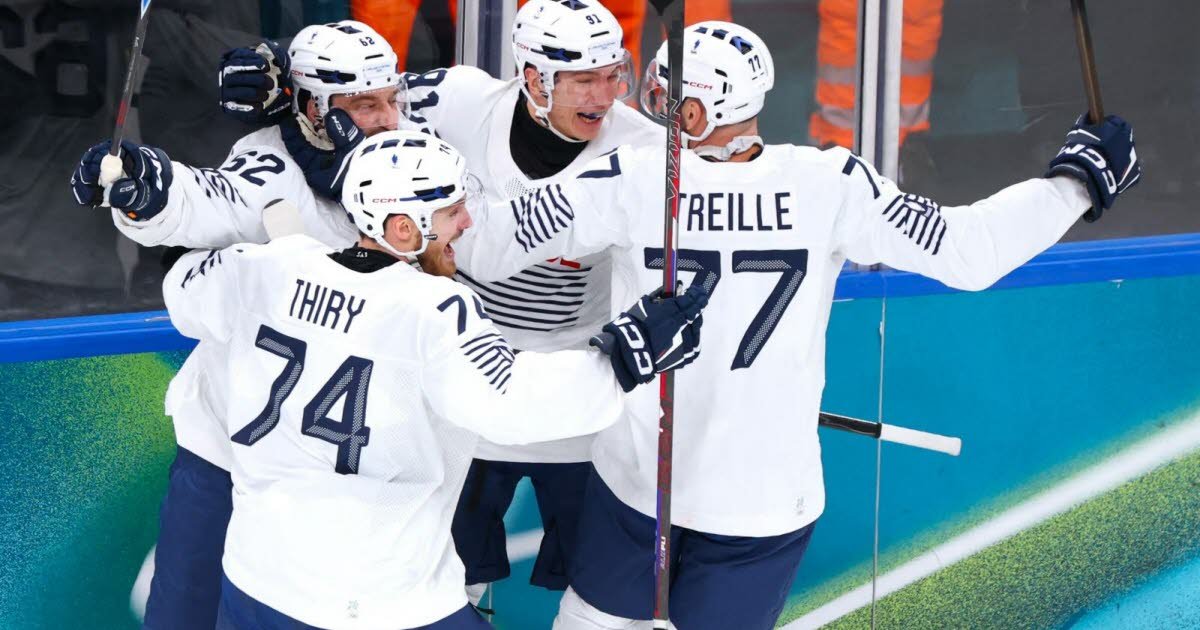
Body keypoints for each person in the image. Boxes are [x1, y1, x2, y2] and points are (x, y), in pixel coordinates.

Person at [458, 21, 1142, 630]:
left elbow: (484, 244)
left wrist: (404, 187)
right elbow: (970, 251)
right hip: (764, 501)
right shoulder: (830, 182)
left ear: (694, 111)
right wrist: (1075, 183)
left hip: (642, 485)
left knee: (591, 623)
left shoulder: (630, 178)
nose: (645, 107)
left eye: (663, 95)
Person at [161, 129, 708, 629]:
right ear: (403, 228)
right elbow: (510, 402)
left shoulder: (264, 268)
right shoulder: (433, 309)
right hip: (379, 597)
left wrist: (164, 209)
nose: (467, 223)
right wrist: (621, 362)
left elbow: (184, 289)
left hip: (259, 577)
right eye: (452, 211)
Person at [218, 0, 663, 609]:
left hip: (575, 406)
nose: (606, 95)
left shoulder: (647, 150)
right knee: (452, 579)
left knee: (598, 596)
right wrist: (291, 88)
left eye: (614, 74)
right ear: (534, 77)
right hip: (462, 393)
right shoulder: (457, 99)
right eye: (584, 79)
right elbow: (358, 101)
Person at [69, 20, 407, 630]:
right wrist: (148, 190)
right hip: (229, 450)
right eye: (364, 105)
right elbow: (204, 199)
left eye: (391, 99)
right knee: (186, 612)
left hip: (341, 465)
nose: (387, 119)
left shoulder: (417, 148)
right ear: (312, 107)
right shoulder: (269, 166)